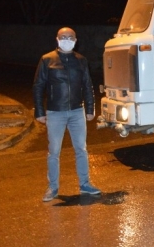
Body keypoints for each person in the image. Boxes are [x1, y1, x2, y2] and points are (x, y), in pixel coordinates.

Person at [33, 27, 101, 202]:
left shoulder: (81, 60)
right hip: (55, 112)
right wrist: (39, 111)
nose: (67, 40)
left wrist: (90, 109)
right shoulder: (47, 59)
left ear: (75, 41)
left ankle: (85, 184)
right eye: (63, 37)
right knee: (54, 151)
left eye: (70, 37)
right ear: (57, 39)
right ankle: (53, 187)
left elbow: (87, 85)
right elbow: (38, 86)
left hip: (77, 111)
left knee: (81, 149)